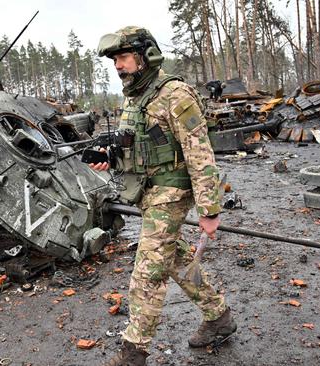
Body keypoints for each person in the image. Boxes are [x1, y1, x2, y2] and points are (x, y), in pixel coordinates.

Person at [91, 26, 237, 366]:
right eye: (114, 60)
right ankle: (219, 317)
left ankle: (133, 352)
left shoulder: (175, 94)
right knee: (174, 257)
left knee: (148, 270)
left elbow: (200, 154)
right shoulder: (135, 97)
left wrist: (209, 208)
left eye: (124, 58)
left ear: (146, 56)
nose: (118, 66)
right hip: (148, 190)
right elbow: (137, 144)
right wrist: (108, 154)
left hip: (171, 190)